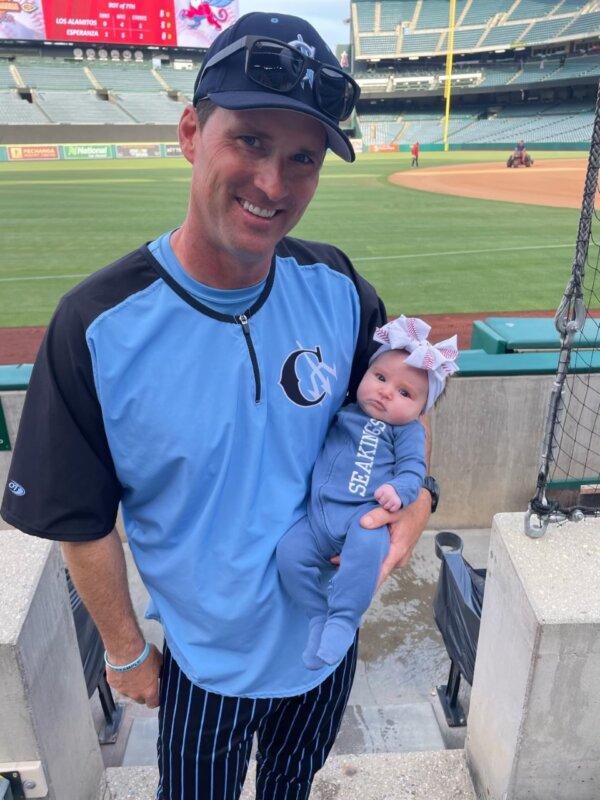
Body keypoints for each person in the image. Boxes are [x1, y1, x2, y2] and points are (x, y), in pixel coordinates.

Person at [1, 12, 439, 800]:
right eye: (250, 142)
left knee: (290, 789)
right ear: (190, 131)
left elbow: (403, 400)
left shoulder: (337, 285)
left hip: (323, 648)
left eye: (302, 158)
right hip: (204, 665)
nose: (274, 184)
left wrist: (419, 501)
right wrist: (126, 649)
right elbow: (78, 516)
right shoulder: (95, 324)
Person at [277, 316, 457, 669]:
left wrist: (399, 492)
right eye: (380, 378)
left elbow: (413, 472)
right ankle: (317, 615)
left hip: (364, 521)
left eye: (405, 393)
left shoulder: (406, 433)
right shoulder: (345, 413)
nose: (387, 392)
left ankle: (344, 619)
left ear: (421, 410)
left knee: (363, 562)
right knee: (289, 554)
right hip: (317, 519)